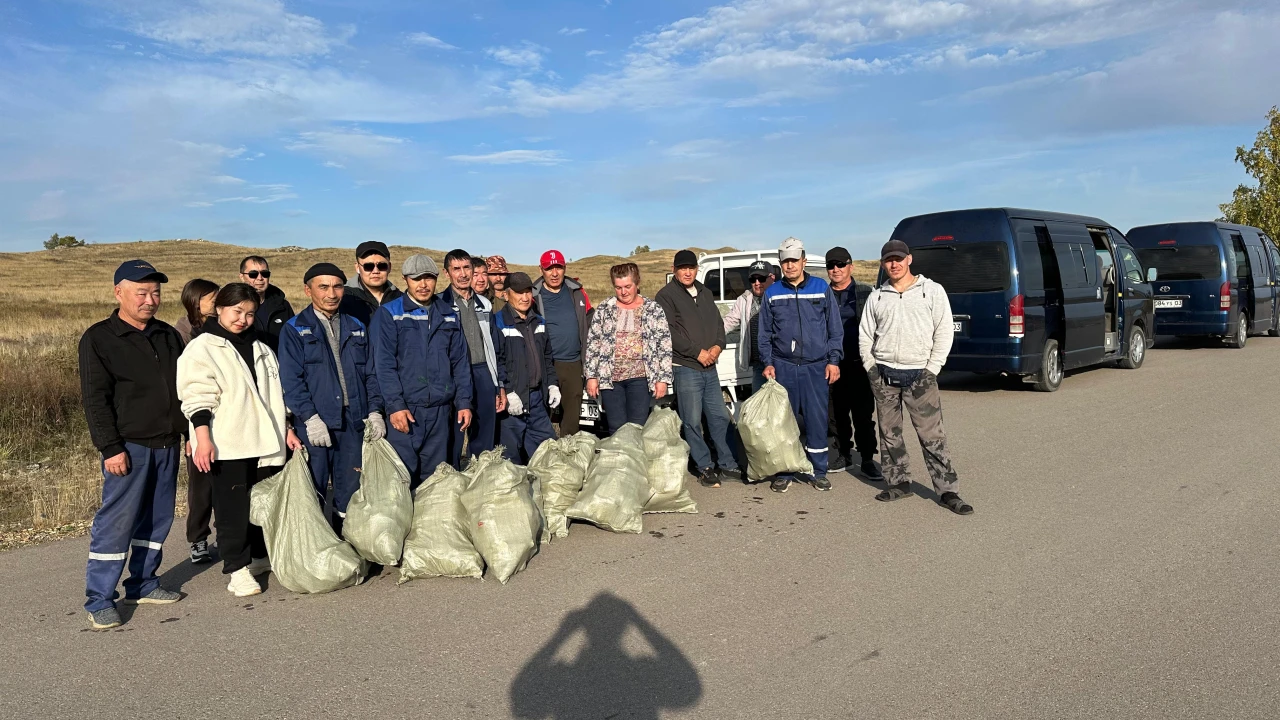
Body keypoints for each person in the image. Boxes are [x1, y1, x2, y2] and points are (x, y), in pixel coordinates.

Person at [79, 260, 186, 629]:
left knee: (158, 519)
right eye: (141, 292)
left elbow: (183, 390)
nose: (150, 299)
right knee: (117, 521)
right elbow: (95, 399)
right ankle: (99, 599)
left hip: (168, 443)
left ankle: (143, 582)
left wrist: (188, 433)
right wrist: (110, 447)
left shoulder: (167, 335)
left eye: (155, 292)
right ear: (118, 293)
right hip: (129, 446)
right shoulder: (99, 338)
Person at [178, 283, 302, 599]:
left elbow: (276, 393)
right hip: (228, 440)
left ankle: (259, 556)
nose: (242, 319)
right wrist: (202, 437)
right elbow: (196, 396)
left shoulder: (261, 347)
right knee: (232, 507)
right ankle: (236, 567)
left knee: (262, 502)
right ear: (219, 308)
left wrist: (286, 426)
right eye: (236, 311)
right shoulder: (203, 347)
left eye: (249, 313)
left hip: (265, 438)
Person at [859, 240, 973, 515]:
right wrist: (872, 368)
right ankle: (898, 483)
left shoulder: (932, 292)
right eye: (888, 260)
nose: (894, 264)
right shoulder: (877, 296)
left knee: (932, 436)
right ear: (883, 263)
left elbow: (944, 331)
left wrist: (932, 369)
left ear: (909, 259)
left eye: (899, 258)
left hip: (920, 375)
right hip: (884, 375)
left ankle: (948, 490)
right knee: (889, 434)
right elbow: (865, 335)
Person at [278, 263, 386, 532]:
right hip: (316, 424)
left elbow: (370, 374)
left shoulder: (357, 326)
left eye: (337, 286)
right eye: (323, 286)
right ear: (308, 290)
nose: (331, 293)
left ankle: (346, 543)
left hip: (353, 422)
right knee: (313, 489)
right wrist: (309, 418)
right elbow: (291, 381)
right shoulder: (295, 329)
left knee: (350, 489)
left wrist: (375, 411)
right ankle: (314, 550)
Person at [370, 254, 473, 489]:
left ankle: (428, 526)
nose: (423, 285)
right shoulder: (389, 314)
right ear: (406, 279)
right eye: (416, 279)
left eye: (428, 278)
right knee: (401, 479)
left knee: (435, 480)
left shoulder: (448, 314)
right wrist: (395, 406)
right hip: (407, 411)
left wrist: (464, 402)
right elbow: (384, 365)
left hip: (440, 411)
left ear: (437, 279)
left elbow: (460, 362)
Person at [758, 237, 843, 493]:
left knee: (817, 420)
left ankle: (818, 471)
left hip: (816, 367)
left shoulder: (820, 287)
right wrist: (768, 362)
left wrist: (834, 360)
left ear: (803, 261)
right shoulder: (772, 293)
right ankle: (785, 471)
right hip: (784, 366)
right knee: (784, 422)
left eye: (794, 260)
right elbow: (764, 334)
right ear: (780, 264)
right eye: (785, 261)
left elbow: (834, 329)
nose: (790, 266)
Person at [655, 250, 741, 488]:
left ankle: (728, 463)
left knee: (719, 417)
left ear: (696, 269)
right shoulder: (666, 296)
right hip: (686, 367)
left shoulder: (704, 292)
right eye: (682, 268)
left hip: (710, 367)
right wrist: (697, 352)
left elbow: (718, 324)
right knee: (692, 421)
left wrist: (717, 346)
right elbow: (668, 332)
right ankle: (704, 466)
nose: (687, 272)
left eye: (691, 267)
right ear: (674, 270)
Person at [585, 263, 672, 434]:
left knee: (637, 428)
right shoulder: (604, 309)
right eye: (618, 288)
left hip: (640, 378)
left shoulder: (653, 309)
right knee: (616, 428)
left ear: (637, 283)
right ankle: (618, 460)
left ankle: (636, 460)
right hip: (611, 380)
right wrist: (591, 376)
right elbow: (593, 343)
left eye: (627, 286)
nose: (623, 292)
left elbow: (665, 345)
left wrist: (663, 378)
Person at [440, 249, 507, 464]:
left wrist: (499, 384)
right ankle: (451, 483)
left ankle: (480, 483)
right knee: (453, 437)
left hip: (483, 373)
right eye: (456, 269)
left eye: (466, 268)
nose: (463, 274)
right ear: (447, 273)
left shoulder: (484, 305)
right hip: (453, 377)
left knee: (484, 438)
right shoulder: (440, 305)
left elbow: (495, 347)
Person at [824, 247, 883, 481]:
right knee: (836, 413)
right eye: (831, 265)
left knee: (862, 414)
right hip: (831, 365)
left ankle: (867, 459)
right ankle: (844, 454)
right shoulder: (821, 294)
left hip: (860, 363)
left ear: (851, 266)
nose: (836, 269)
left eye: (841, 264)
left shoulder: (867, 293)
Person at [175, 278, 220, 564]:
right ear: (195, 300)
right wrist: (187, 435)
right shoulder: (180, 332)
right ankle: (198, 539)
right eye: (210, 298)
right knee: (201, 484)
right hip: (195, 418)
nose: (215, 302)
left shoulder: (221, 327)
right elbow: (181, 387)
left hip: (224, 415)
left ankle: (228, 534)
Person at [495, 272, 560, 463]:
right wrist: (507, 391)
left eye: (527, 292)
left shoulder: (539, 322)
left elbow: (547, 358)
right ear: (506, 295)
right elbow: (496, 362)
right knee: (510, 458)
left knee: (548, 452)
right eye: (519, 292)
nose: (525, 298)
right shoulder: (498, 323)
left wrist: (552, 385)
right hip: (513, 401)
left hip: (536, 400)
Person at [534, 250, 592, 436]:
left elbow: (591, 320)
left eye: (558, 267)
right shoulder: (533, 295)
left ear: (564, 268)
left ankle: (568, 449)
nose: (554, 273)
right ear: (541, 270)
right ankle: (544, 450)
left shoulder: (577, 292)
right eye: (549, 268)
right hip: (545, 363)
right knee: (544, 409)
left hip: (573, 362)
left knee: (572, 412)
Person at [722, 260, 772, 392]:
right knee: (757, 405)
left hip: (780, 362)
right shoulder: (743, 299)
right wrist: (709, 336)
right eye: (753, 279)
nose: (757, 283)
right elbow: (729, 321)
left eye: (761, 279)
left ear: (771, 278)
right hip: (758, 364)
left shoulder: (779, 297)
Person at [238, 255, 294, 353]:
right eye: (253, 274)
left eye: (265, 273)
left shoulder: (282, 306)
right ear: (242, 277)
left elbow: (294, 339)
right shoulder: (233, 306)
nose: (260, 278)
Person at [340, 241, 403, 327]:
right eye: (368, 266)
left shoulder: (401, 299)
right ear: (357, 267)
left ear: (389, 267)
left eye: (382, 266)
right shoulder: (342, 298)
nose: (375, 271)